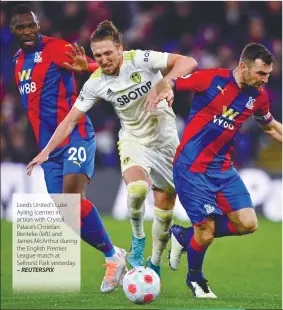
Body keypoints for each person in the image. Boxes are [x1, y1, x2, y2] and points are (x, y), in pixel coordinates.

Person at [26, 20, 198, 277]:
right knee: (138, 189)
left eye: (108, 53)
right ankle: (137, 240)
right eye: (98, 55)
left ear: (121, 49)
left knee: (164, 215)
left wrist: (167, 82)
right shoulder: (95, 83)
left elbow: (189, 61)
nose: (104, 59)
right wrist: (47, 150)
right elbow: (70, 120)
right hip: (133, 140)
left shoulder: (140, 59)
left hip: (166, 143)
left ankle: (155, 261)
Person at [150, 42, 282, 297]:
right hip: (192, 168)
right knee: (207, 232)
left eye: (267, 74)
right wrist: (165, 89)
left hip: (223, 168)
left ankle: (183, 236)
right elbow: (169, 83)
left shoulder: (258, 97)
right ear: (243, 67)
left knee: (247, 223)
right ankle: (196, 279)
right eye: (261, 73)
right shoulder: (211, 79)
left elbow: (271, 127)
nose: (265, 80)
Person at [11, 4, 126, 293]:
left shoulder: (56, 48)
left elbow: (97, 66)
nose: (27, 31)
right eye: (20, 27)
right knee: (66, 213)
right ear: (12, 30)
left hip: (75, 134)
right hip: (49, 148)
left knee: (71, 200)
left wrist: (84, 68)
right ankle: (114, 255)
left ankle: (113, 259)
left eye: (31, 25)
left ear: (39, 25)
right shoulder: (16, 62)